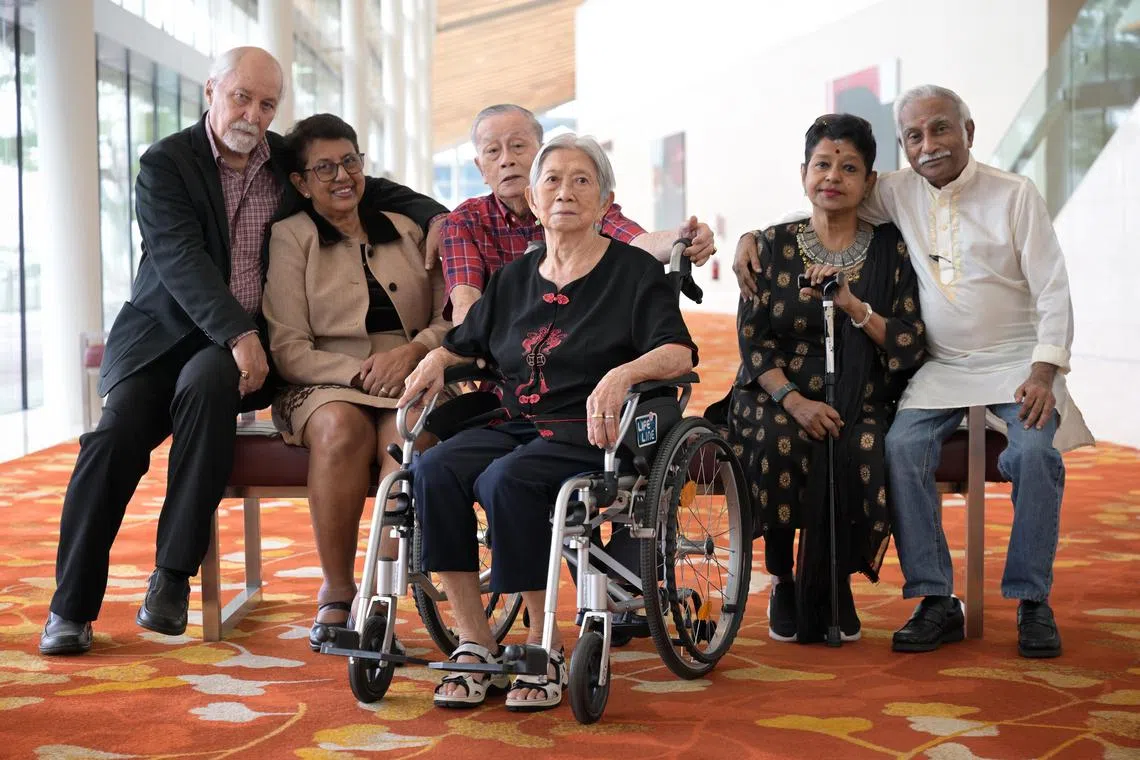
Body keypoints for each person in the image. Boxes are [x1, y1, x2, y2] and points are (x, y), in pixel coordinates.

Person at [39, 47, 448, 656]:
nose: (253, 115)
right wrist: (239, 333)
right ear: (212, 90)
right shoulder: (166, 164)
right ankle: (69, 608)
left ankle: (171, 577)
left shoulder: (283, 161)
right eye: (242, 98)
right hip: (163, 339)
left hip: (233, 354)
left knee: (208, 384)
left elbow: (362, 186)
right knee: (113, 439)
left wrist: (440, 216)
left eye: (267, 104)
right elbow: (180, 259)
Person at [733, 85, 1093, 658]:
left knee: (1033, 455)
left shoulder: (1015, 194)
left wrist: (1045, 371)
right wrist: (751, 236)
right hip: (941, 367)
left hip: (1017, 363)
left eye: (940, 129)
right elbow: (826, 202)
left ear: (968, 132)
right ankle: (935, 598)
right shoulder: (898, 191)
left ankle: (1032, 601)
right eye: (914, 136)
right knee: (900, 448)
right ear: (903, 147)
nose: (929, 145)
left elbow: (1054, 288)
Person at [398, 134, 697, 711]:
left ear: (605, 200)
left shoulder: (634, 272)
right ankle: (475, 642)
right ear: (534, 200)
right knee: (434, 469)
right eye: (552, 180)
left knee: (507, 480)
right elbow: (467, 342)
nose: (565, 192)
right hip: (517, 422)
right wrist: (436, 359)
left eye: (582, 180)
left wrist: (623, 374)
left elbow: (678, 353)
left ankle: (543, 645)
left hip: (593, 430)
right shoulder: (515, 278)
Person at [724, 114, 924, 644]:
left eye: (849, 167)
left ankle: (834, 578)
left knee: (860, 445)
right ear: (803, 174)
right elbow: (753, 341)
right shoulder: (769, 247)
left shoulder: (891, 250)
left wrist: (856, 308)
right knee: (782, 439)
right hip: (774, 389)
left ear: (869, 182)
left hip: (860, 391)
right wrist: (794, 400)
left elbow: (909, 340)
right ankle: (784, 578)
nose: (833, 176)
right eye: (822, 165)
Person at [262, 114, 450, 649]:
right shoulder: (290, 237)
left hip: (412, 373)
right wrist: (360, 374)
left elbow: (450, 317)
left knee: (408, 435)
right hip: (321, 378)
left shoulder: (408, 228)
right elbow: (288, 347)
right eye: (324, 168)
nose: (342, 176)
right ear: (300, 182)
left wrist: (413, 354)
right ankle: (337, 589)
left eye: (350, 161)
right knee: (340, 428)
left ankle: (380, 597)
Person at [439, 104, 717, 324]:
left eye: (518, 146)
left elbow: (636, 243)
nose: (506, 160)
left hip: (586, 345)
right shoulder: (465, 222)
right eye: (492, 151)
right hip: (508, 356)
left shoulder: (580, 204)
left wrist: (682, 238)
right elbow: (466, 307)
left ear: (541, 154)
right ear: (480, 167)